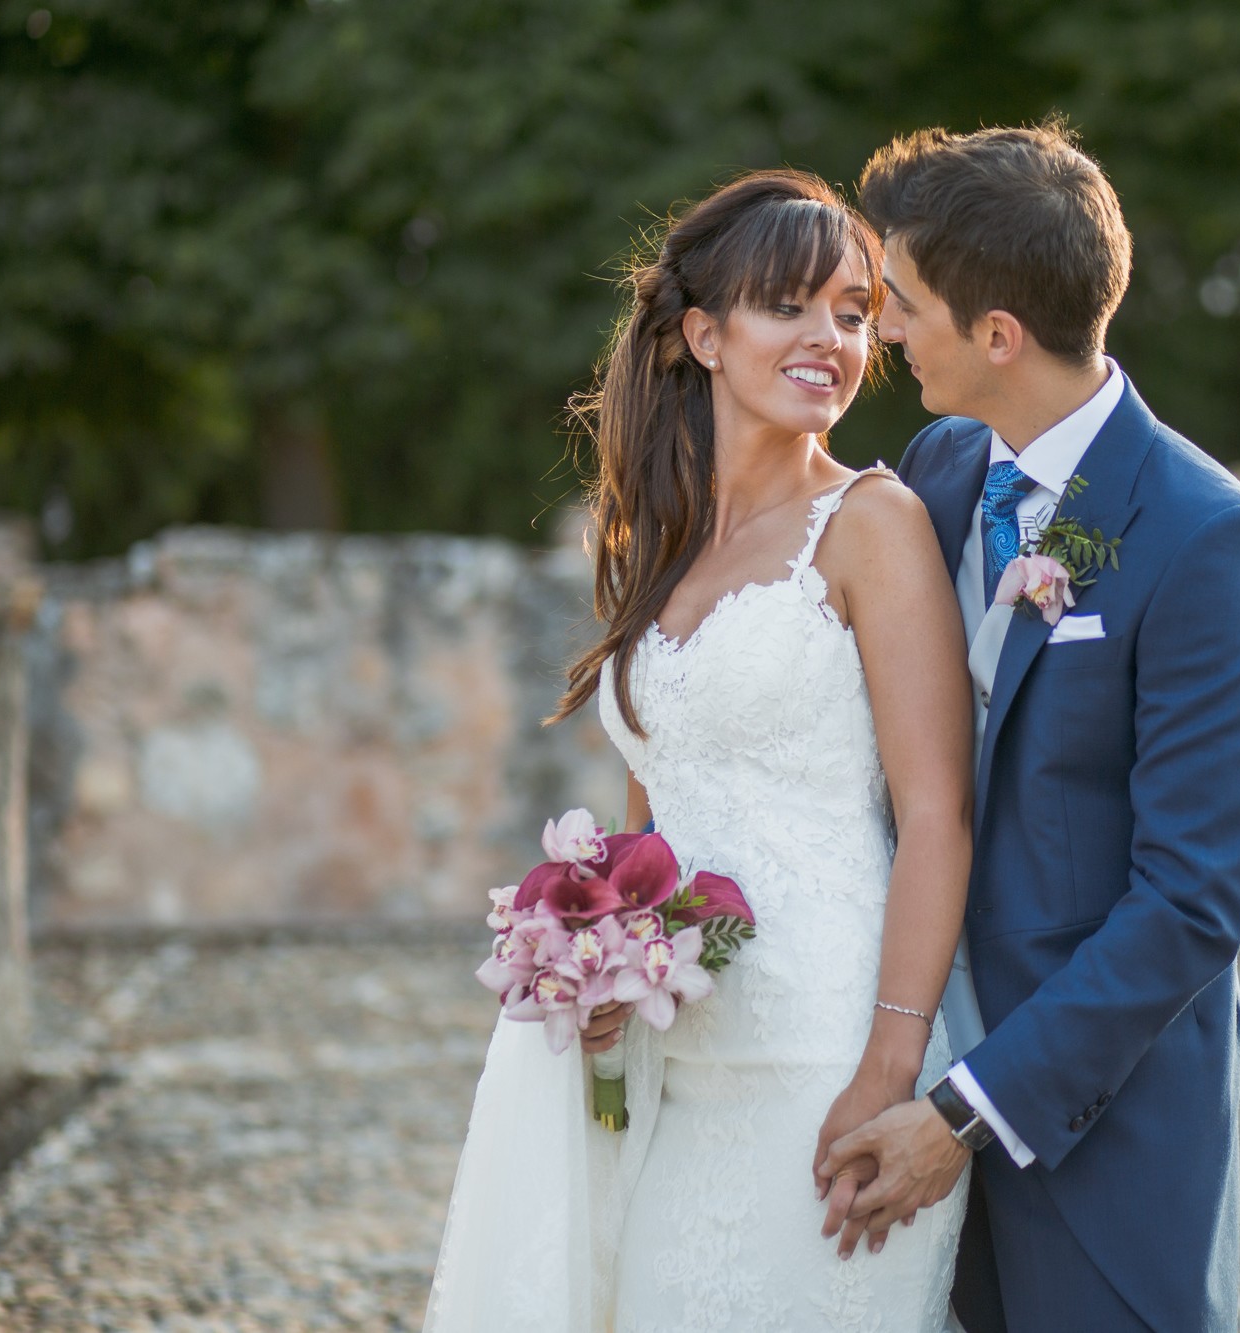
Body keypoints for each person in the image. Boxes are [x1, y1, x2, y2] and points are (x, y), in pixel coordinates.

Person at [423, 170, 975, 1332]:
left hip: (823, 1058)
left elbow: (936, 813)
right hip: (675, 1071)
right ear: (703, 334)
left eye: (855, 312)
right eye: (791, 305)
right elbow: (652, 828)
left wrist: (889, 1064)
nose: (830, 337)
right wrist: (596, 960)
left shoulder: (873, 523)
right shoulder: (657, 544)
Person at [814, 122, 1240, 1332]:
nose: (883, 331)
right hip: (895, 1076)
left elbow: (1191, 898)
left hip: (1095, 1143)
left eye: (902, 303)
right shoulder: (937, 465)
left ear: (996, 336)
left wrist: (965, 1114)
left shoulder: (1202, 539)